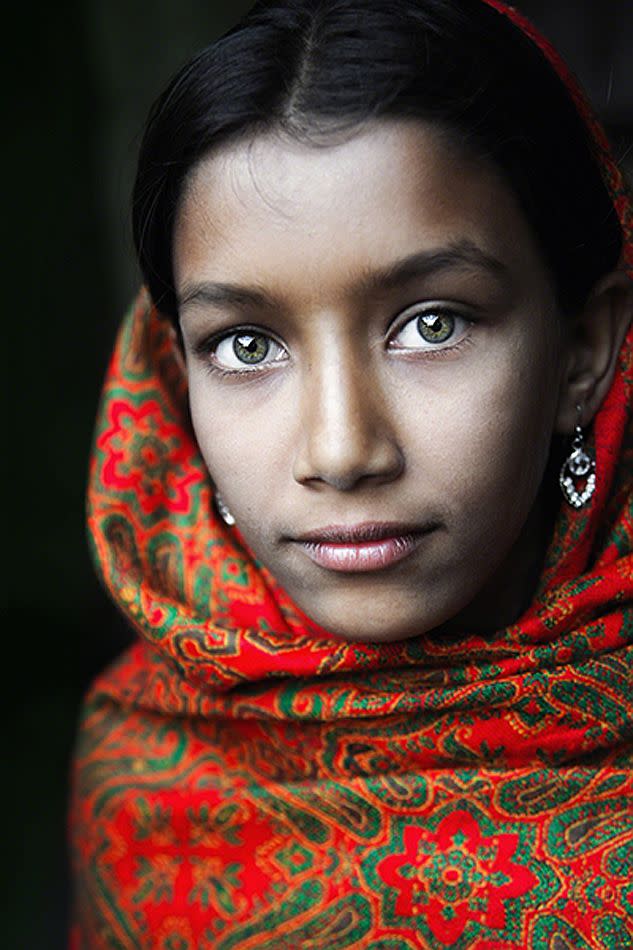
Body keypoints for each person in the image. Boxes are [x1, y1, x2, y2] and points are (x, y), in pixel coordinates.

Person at [70, 0, 632, 946]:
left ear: (581, 350)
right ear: (176, 376)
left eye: (432, 324)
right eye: (246, 345)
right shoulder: (144, 774)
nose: (340, 450)